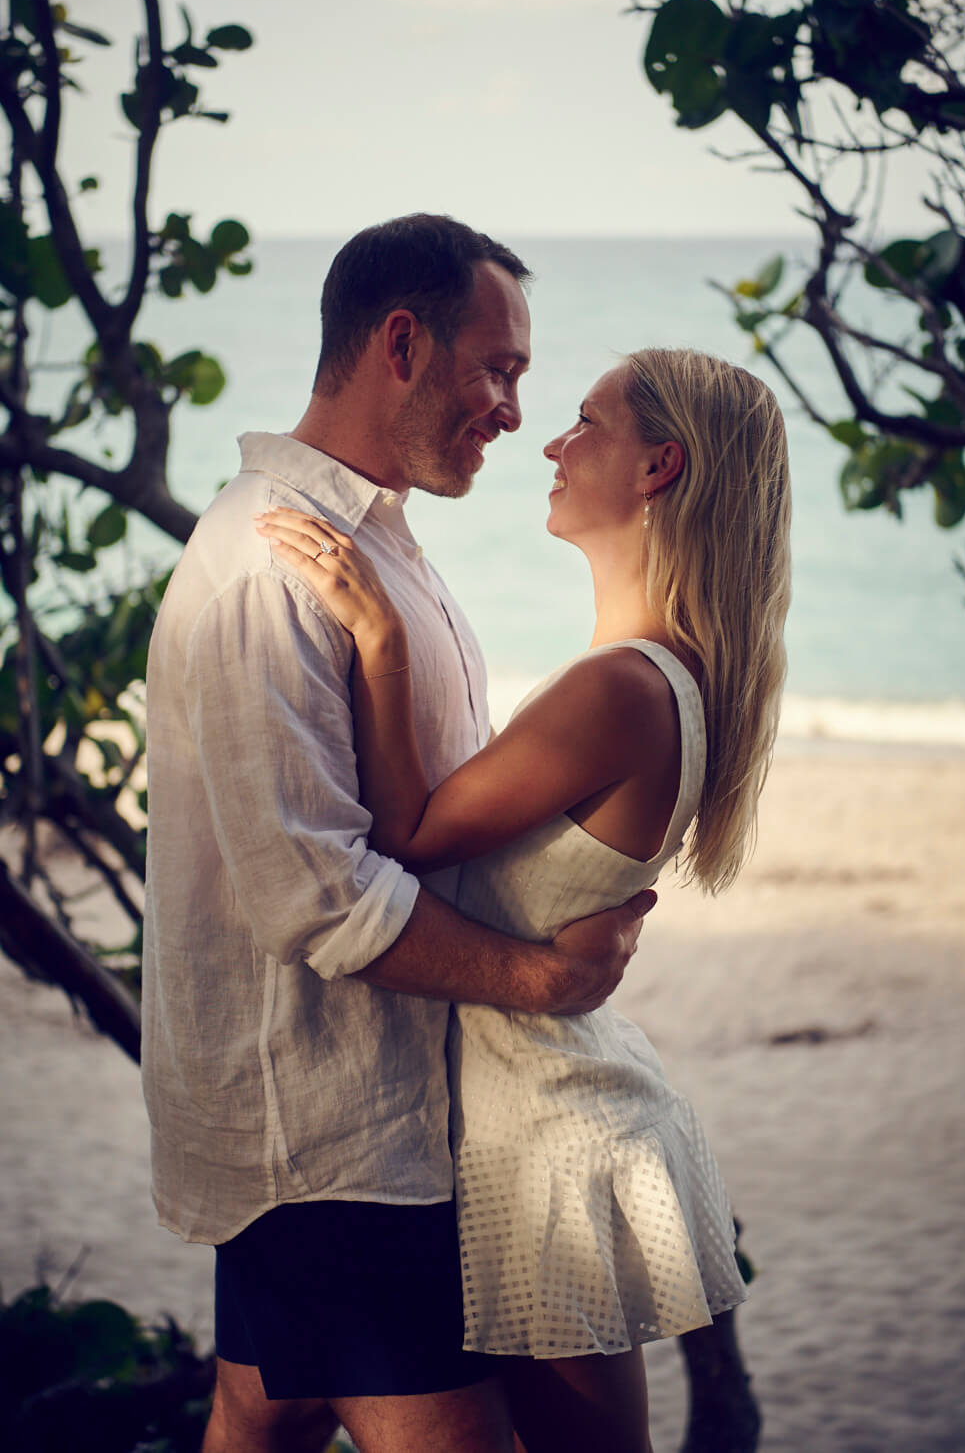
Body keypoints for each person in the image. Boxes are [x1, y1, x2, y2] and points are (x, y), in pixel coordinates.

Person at [141, 214, 657, 1453]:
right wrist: (542, 979)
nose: (512, 410)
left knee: (258, 1414)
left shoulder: (369, 546)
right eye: (499, 368)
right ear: (402, 342)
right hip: (332, 1145)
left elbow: (414, 814)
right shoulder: (271, 571)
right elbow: (316, 894)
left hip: (364, 1122)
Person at [254, 344, 792, 1453]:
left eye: (586, 422)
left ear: (658, 467)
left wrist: (382, 634)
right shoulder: (664, 675)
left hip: (545, 1137)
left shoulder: (621, 688)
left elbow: (402, 836)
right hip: (548, 1107)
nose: (550, 442)